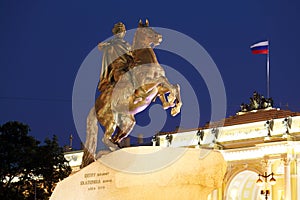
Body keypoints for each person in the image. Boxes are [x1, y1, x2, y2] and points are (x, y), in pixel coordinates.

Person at [98, 22, 134, 92]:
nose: (120, 33)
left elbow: (132, 54)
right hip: (118, 67)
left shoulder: (127, 44)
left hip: (129, 66)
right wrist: (102, 46)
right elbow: (103, 47)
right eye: (119, 31)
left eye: (122, 31)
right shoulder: (111, 43)